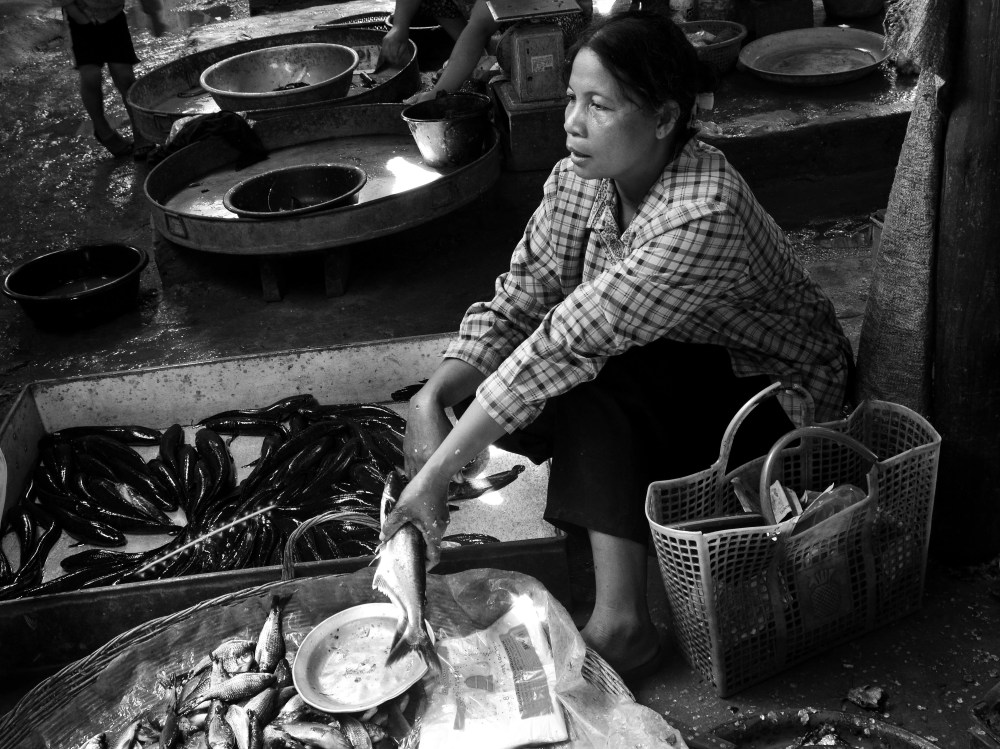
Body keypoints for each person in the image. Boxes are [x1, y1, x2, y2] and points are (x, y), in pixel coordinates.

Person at [379, 9, 854, 682]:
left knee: (585, 372)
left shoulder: (702, 211)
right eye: (572, 98)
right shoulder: (581, 177)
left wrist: (434, 475)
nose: (573, 122)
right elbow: (520, 300)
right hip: (684, 374)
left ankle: (624, 625)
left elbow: (570, 341)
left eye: (599, 105)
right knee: (522, 383)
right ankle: (620, 520)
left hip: (775, 409)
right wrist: (429, 399)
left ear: (663, 118)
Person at [380, 0, 589, 105]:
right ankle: (482, 57)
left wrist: (438, 93)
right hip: (508, 9)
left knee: (522, 51)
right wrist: (399, 26)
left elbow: (478, 30)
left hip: (562, 13)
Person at [58, 0, 168, 159]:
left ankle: (140, 130)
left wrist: (154, 16)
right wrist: (78, 16)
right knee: (91, 75)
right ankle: (103, 130)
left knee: (124, 76)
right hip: (78, 15)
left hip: (113, 15)